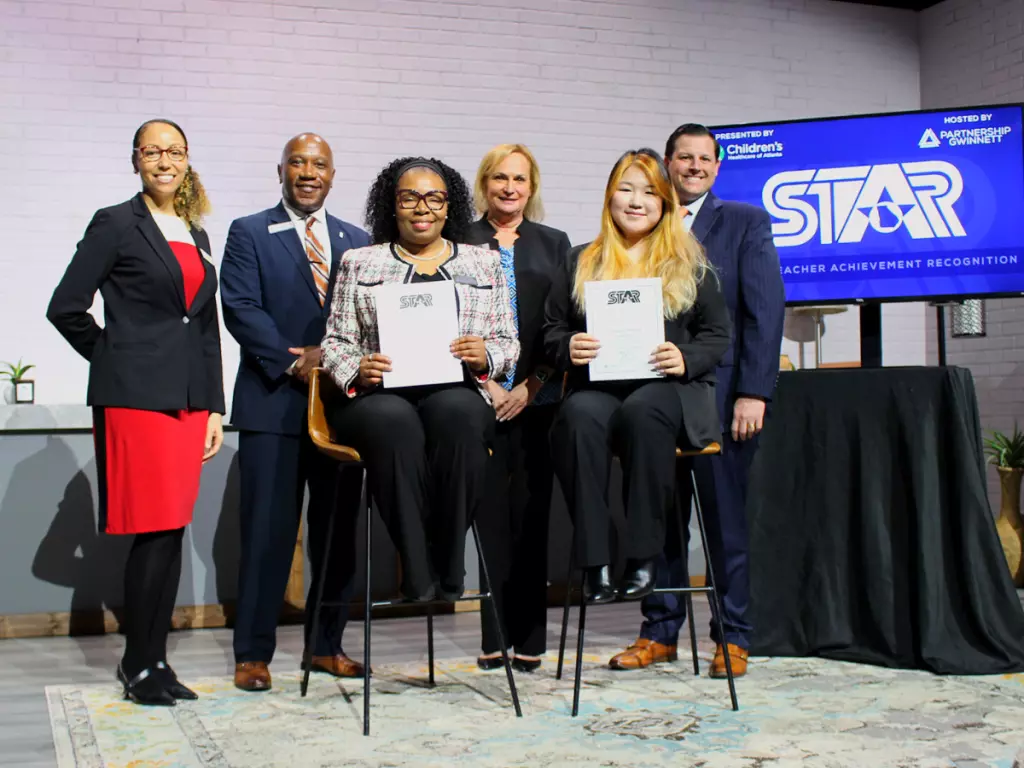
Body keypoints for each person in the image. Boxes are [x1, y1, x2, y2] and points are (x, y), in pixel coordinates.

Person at [47, 118, 224, 706]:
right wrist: (114, 356)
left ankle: (156, 661)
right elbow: (66, 306)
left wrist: (213, 409)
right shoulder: (116, 223)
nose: (164, 161)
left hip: (186, 404)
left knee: (170, 531)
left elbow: (203, 327)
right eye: (153, 151)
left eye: (173, 151)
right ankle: (137, 664)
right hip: (136, 399)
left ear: (187, 159)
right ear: (136, 160)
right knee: (151, 530)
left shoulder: (195, 231)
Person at [609, 124, 785, 678]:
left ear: (717, 166)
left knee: (723, 524)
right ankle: (659, 631)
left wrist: (754, 392)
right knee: (661, 519)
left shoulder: (744, 222)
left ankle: (732, 637)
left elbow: (763, 312)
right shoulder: (642, 225)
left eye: (704, 159)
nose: (693, 167)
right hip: (654, 400)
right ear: (667, 163)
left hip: (723, 398)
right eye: (683, 157)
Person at [321, 156, 518, 603]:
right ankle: (415, 566)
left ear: (450, 207)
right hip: (379, 394)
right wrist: (359, 367)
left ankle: (448, 558)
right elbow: (334, 342)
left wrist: (486, 353)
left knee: (461, 415)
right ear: (393, 205)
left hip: (454, 388)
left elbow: (508, 340)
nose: (422, 207)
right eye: (409, 197)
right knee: (395, 422)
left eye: (434, 197)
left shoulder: (484, 263)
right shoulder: (360, 262)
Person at [544, 148, 731, 605]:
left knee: (646, 411)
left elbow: (718, 334)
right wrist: (569, 347)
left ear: (665, 202)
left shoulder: (690, 261)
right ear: (609, 197)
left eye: (648, 192)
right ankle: (595, 561)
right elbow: (551, 331)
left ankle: (644, 555)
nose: (635, 201)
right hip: (601, 386)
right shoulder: (579, 260)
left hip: (668, 388)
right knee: (578, 416)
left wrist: (684, 357)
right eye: (625, 189)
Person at [220, 133, 371, 693]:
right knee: (267, 534)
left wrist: (327, 359)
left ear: (333, 175)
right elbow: (240, 307)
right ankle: (253, 654)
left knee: (336, 533)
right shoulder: (248, 232)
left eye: (320, 164)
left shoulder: (357, 241)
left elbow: (367, 315)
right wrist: (294, 362)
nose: (309, 172)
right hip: (273, 402)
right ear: (280, 170)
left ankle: (325, 646)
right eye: (298, 163)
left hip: (340, 406)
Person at [465, 144, 570, 673]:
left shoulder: (555, 244)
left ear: (533, 186)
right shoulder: (458, 240)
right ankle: (493, 636)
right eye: (500, 178)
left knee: (532, 519)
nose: (510, 187)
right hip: (477, 399)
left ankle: (529, 639)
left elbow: (563, 324)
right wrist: (487, 384)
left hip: (539, 398)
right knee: (490, 520)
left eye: (520, 179)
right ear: (484, 183)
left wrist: (532, 384)